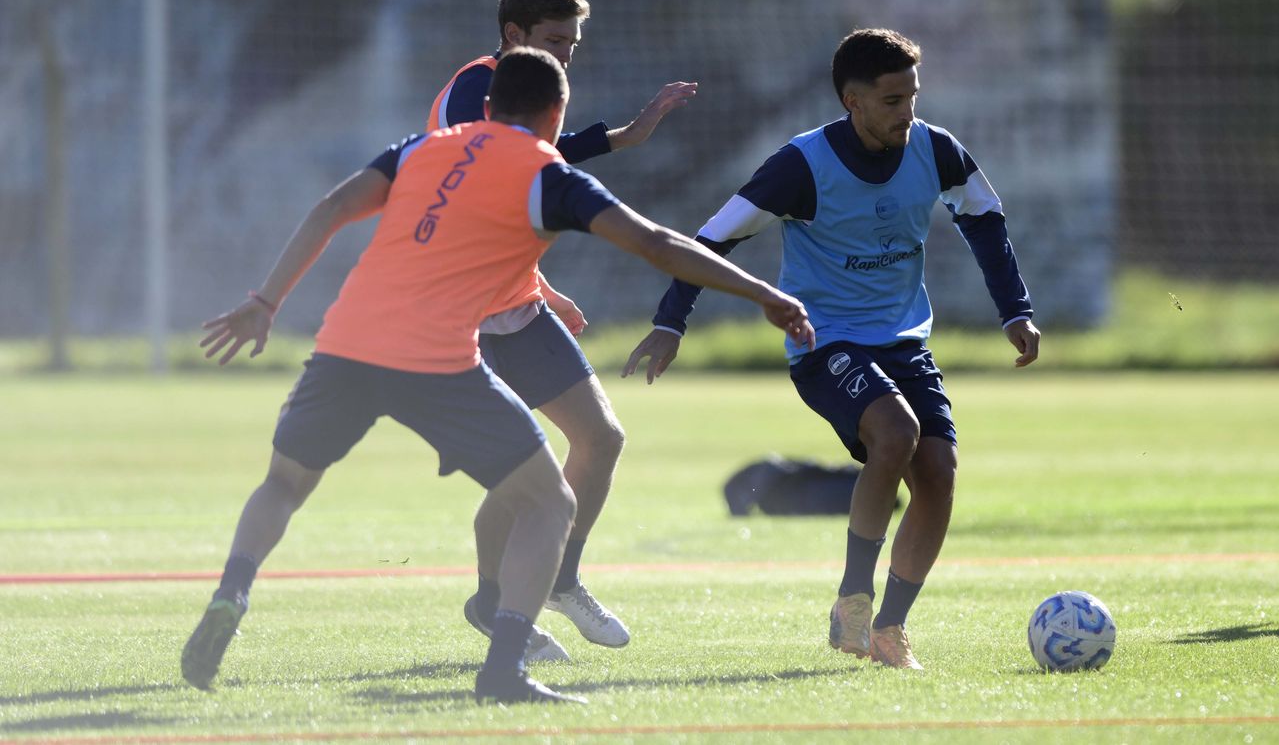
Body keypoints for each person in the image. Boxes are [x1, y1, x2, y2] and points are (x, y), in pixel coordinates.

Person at [181, 48, 814, 704]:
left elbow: (333, 206)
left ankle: (233, 589)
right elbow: (656, 243)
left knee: (284, 482)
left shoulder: (420, 149)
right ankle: (504, 668)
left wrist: (264, 302)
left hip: (345, 345)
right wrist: (761, 292)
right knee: (550, 502)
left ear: (486, 107)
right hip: (434, 362)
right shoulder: (546, 174)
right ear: (555, 115)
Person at [623, 28, 1040, 670]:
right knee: (895, 433)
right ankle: (853, 599)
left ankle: (888, 629)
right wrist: (670, 322)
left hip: (904, 344)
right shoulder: (802, 166)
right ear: (853, 100)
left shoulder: (936, 150)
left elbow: (984, 220)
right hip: (823, 345)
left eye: (913, 97)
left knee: (938, 477)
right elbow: (710, 240)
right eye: (893, 100)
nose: (908, 112)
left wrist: (1015, 310)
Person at [428, 0, 695, 660]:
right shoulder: (475, 85)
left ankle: (558, 579)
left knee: (599, 440)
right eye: (554, 40)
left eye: (572, 44)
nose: (566, 55)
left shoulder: (534, 98)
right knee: (528, 472)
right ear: (515, 36)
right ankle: (496, 606)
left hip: (514, 302)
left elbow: (528, 170)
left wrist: (625, 137)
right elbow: (489, 176)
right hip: (464, 313)